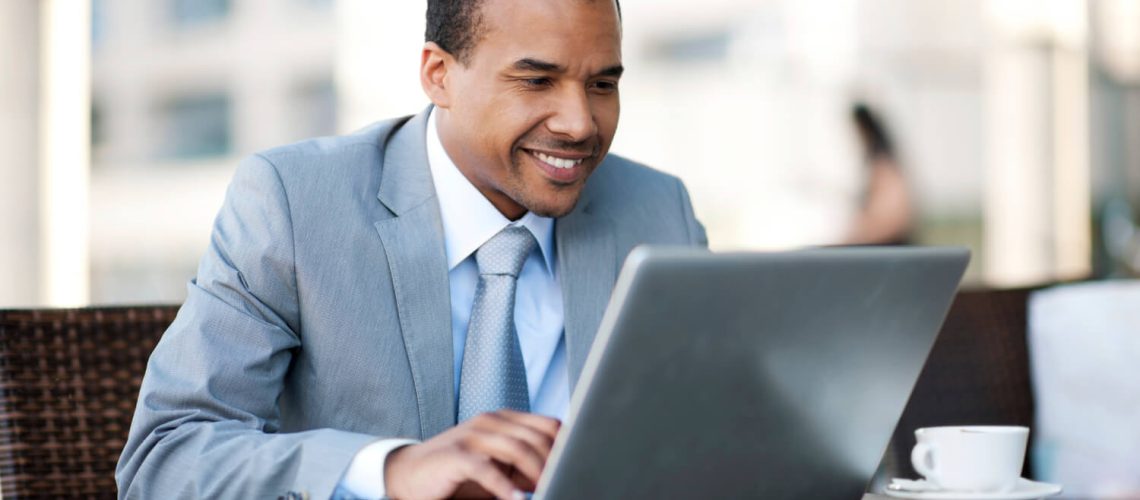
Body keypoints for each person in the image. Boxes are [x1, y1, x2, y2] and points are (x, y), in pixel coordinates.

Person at [115, 0, 706, 498]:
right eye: (536, 80)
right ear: (438, 74)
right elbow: (167, 457)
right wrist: (391, 469)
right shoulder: (295, 203)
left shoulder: (657, 210)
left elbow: (712, 432)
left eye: (602, 83)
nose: (580, 123)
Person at [842, 103, 914, 246]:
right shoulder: (880, 163)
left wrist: (858, 238)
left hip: (889, 244)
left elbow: (892, 217)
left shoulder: (884, 166)